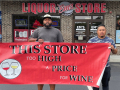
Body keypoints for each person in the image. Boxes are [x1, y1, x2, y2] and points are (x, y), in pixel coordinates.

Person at [28, 14, 64, 90]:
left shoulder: (57, 31)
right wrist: (37, 40)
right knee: (40, 77)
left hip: (53, 58)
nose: (47, 21)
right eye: (45, 20)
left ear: (51, 21)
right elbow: (29, 40)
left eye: (49, 19)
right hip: (40, 58)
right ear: (43, 21)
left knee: (52, 77)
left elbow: (61, 44)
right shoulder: (38, 30)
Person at [87, 24, 117, 90]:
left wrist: (113, 48)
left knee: (105, 85)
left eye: (103, 30)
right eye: (100, 30)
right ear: (97, 31)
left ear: (105, 31)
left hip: (106, 67)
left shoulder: (110, 41)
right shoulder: (92, 41)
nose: (102, 31)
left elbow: (115, 52)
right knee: (95, 86)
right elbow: (87, 52)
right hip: (95, 67)